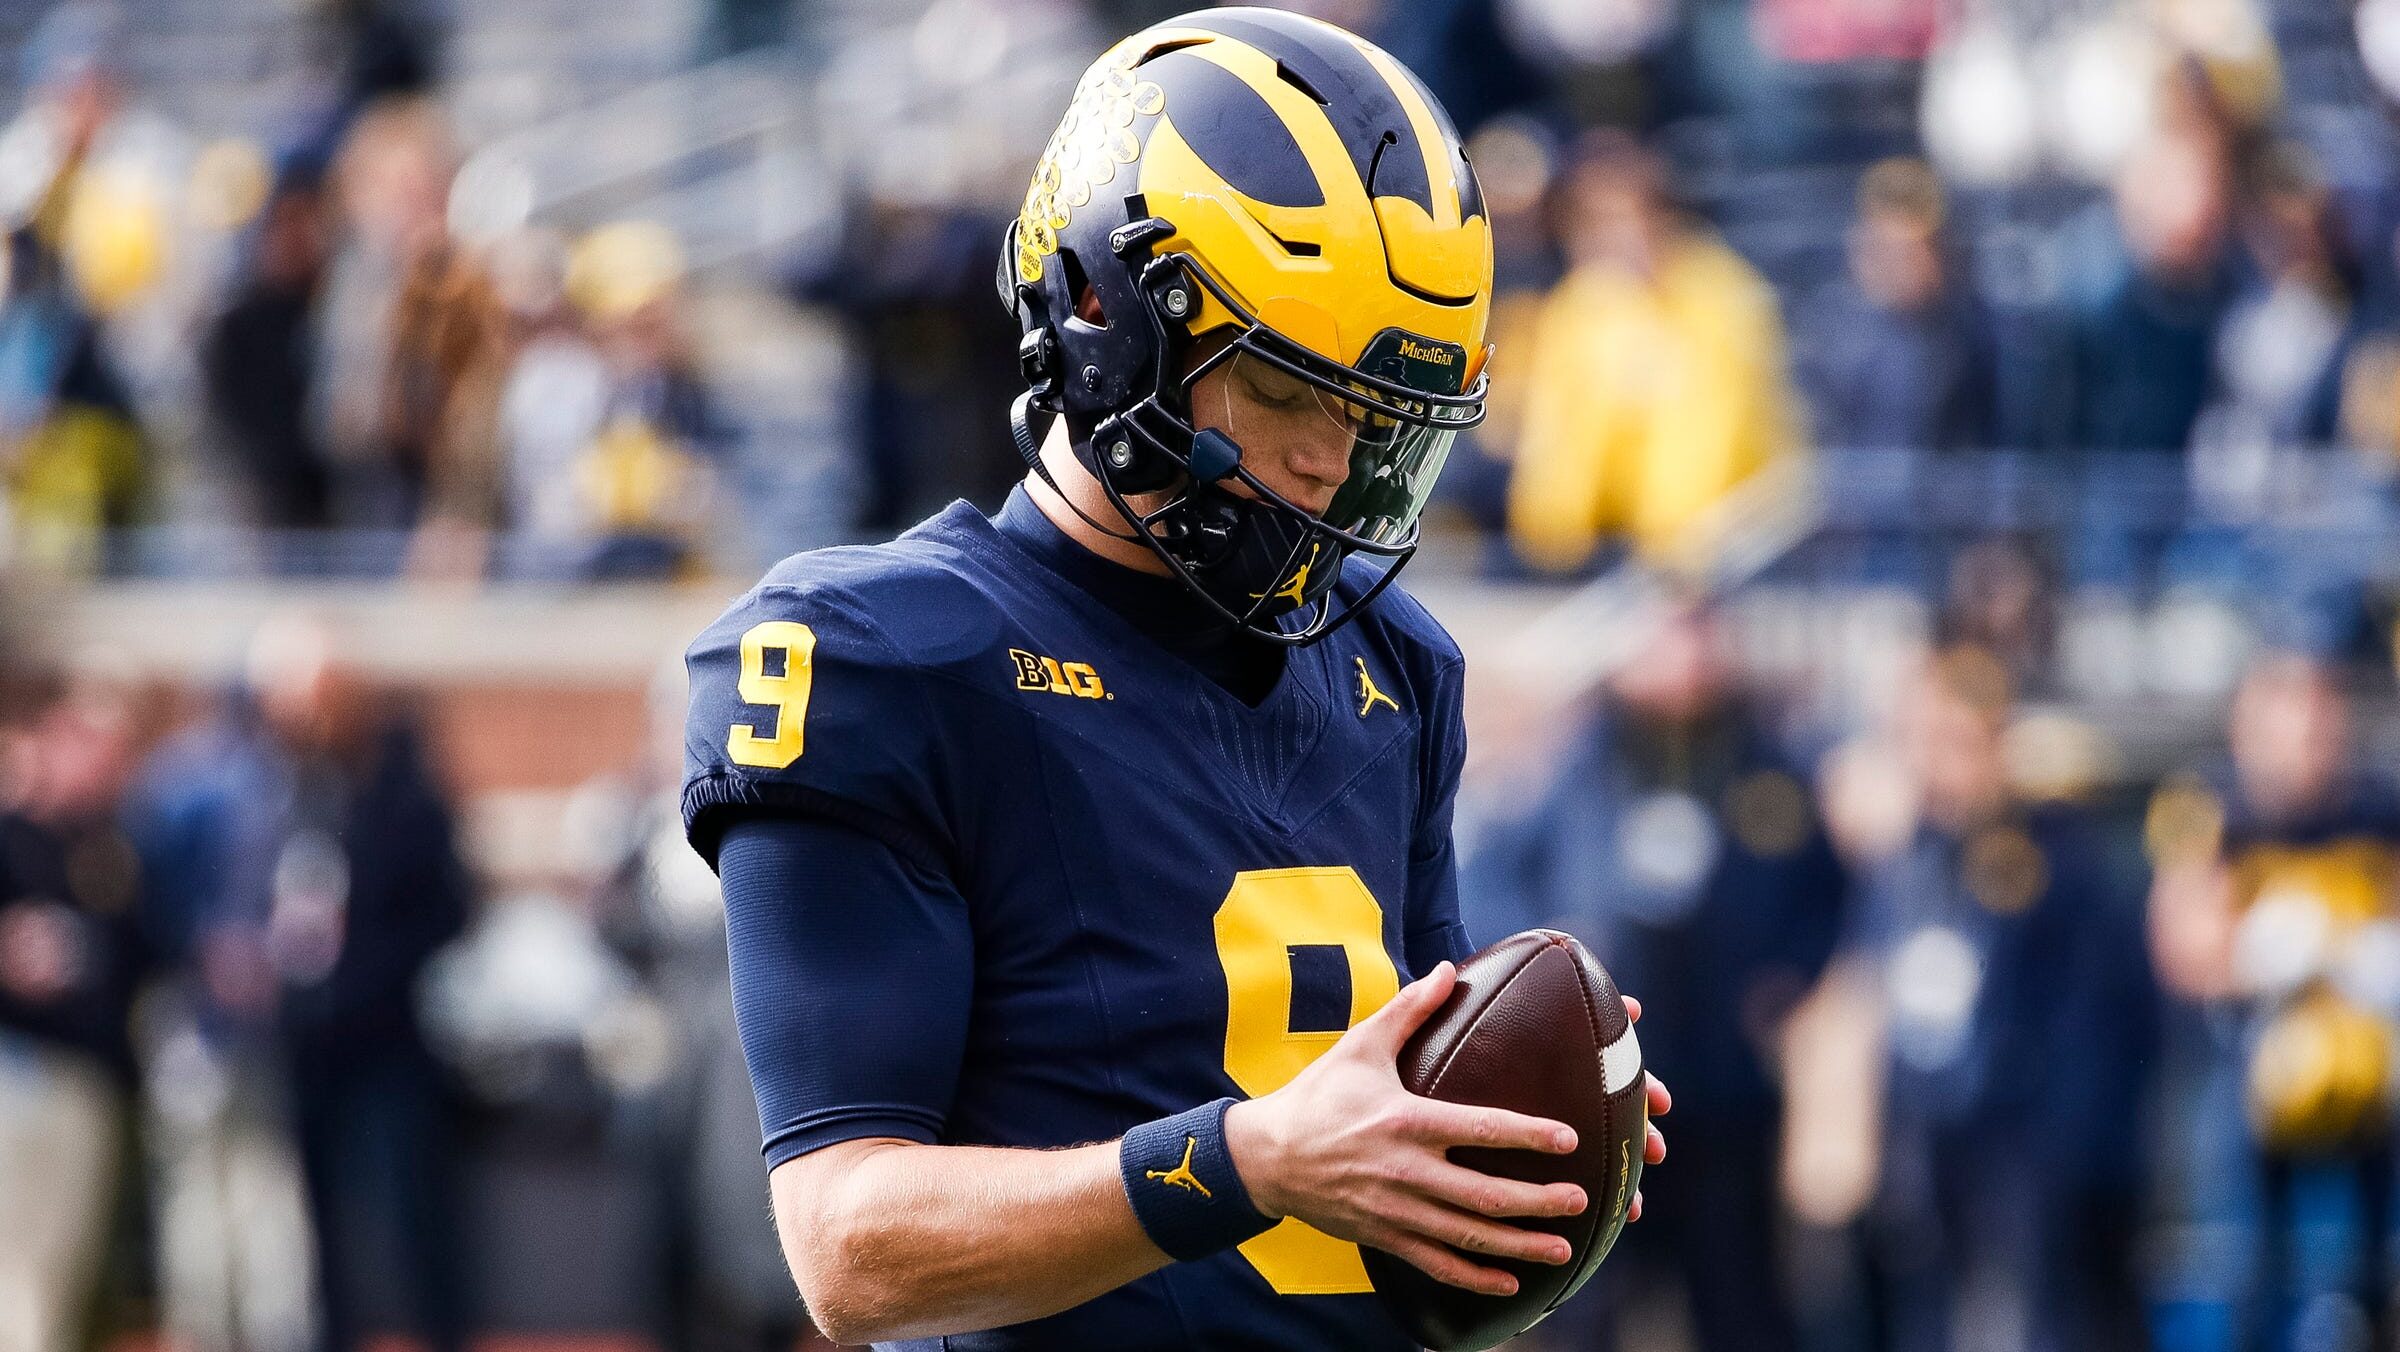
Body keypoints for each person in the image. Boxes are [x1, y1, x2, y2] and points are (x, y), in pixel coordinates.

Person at [682, 11, 1671, 1349]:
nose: (1332, 461)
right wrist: (1248, 1161)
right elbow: (850, 1250)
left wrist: (1503, 1158)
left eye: (1375, 415)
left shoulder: (1397, 670)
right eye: (1284, 387)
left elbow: (1390, 1165)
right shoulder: (880, 658)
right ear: (1104, 313)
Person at [1461, 599, 1844, 1352]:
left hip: (1727, 1092)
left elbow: (1824, 890)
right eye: (1666, 633)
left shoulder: (1765, 766)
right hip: (1602, 1095)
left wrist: (1787, 982)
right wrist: (1543, 998)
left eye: (1698, 632)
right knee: (1589, 1306)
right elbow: (1494, 883)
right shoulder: (1578, 764)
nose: (1685, 655)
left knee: (1737, 1300)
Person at [2146, 651, 2400, 1348]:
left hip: (2367, 1080)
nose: (2313, 748)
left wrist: (2369, 956)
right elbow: (2178, 942)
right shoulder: (2210, 809)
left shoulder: (2377, 807)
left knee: (2372, 1277)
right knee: (2251, 1272)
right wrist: (2256, 959)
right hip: (2252, 1075)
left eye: (2323, 729)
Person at [1503, 131, 1798, 574]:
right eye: (1588, 225)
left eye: (1615, 220)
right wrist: (1554, 533)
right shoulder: (1583, 304)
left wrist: (1677, 551)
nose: (1600, 240)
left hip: (1733, 543)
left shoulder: (1719, 296)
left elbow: (1714, 430)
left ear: (1657, 219)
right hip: (1617, 550)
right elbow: (1558, 431)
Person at [1793, 157, 1996, 454]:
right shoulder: (1829, 334)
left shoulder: (1974, 335)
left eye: (1917, 250)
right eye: (1891, 252)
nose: (1906, 266)